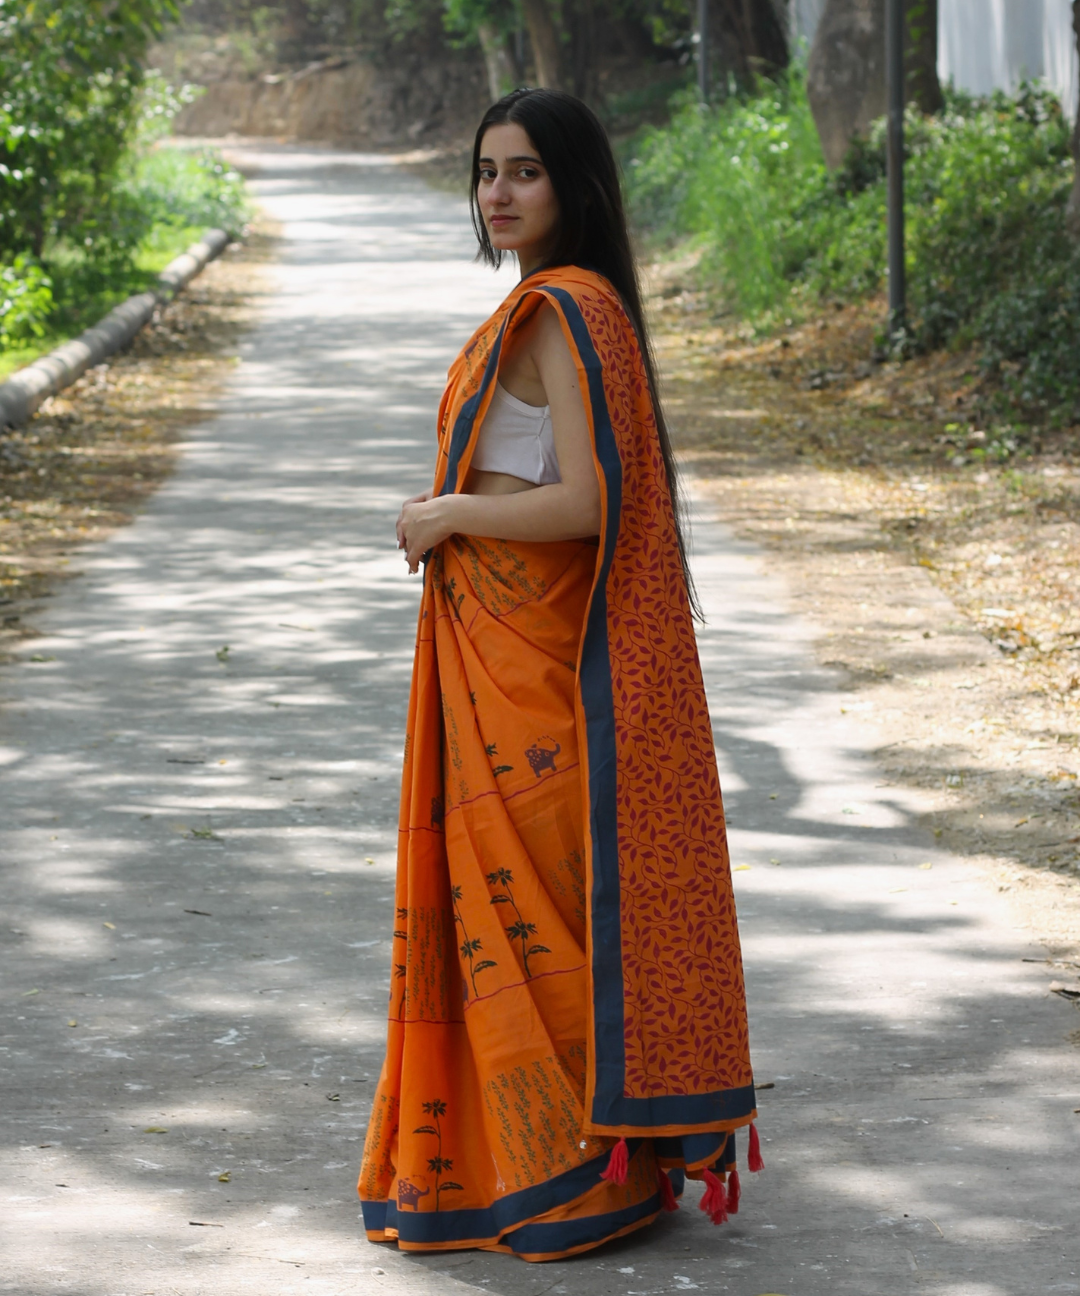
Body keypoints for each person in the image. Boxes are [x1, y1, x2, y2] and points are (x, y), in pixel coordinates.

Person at [357, 86, 760, 1263]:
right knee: (531, 917)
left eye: (524, 171)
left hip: (535, 669)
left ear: (572, 186)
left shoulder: (561, 312)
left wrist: (444, 513)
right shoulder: (574, 308)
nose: (498, 191)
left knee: (532, 919)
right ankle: (580, 1160)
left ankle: (572, 1171)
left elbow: (591, 504)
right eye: (487, 170)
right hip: (508, 655)